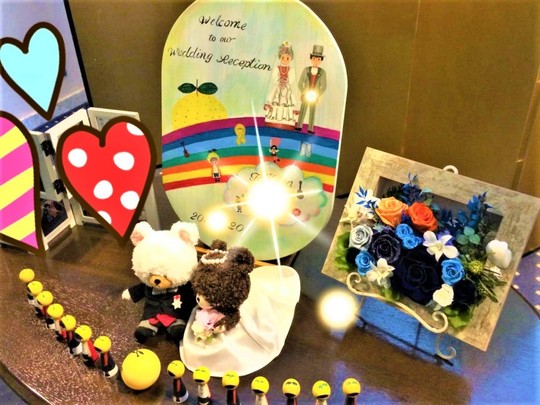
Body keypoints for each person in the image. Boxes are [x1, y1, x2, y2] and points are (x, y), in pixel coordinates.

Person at [264, 41, 298, 128]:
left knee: (286, 102)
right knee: (276, 101)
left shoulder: (291, 69)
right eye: (283, 57)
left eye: (287, 58)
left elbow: (291, 78)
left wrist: (286, 82)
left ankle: (286, 120)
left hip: (286, 89)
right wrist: (279, 81)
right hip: (278, 87)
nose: (285, 60)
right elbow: (275, 76)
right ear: (280, 57)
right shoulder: (277, 68)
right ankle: (274, 119)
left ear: (290, 59)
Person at [295, 45, 327, 134]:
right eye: (314, 58)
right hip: (306, 94)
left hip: (314, 95)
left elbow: (323, 86)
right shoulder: (306, 70)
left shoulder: (322, 72)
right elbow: (300, 83)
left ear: (321, 60)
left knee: (312, 111)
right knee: (303, 109)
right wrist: (303, 92)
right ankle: (299, 126)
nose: (316, 61)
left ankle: (310, 129)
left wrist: (317, 94)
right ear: (311, 59)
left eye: (318, 59)